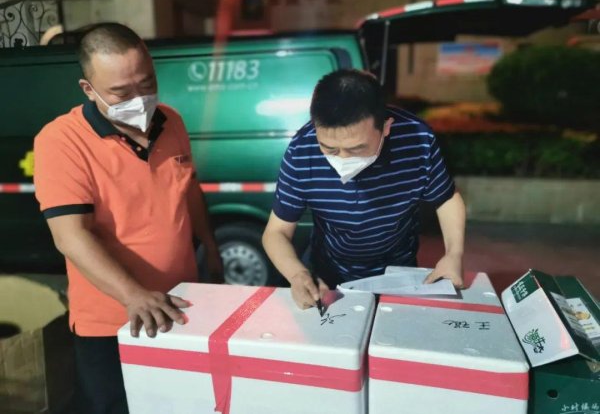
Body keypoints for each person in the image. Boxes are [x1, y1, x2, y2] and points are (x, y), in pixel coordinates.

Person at [33, 23, 223, 413]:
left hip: (181, 307)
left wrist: (211, 249)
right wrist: (134, 295)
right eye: (121, 92)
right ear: (88, 89)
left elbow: (188, 191)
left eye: (147, 84)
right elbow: (71, 237)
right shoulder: (61, 141)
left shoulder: (171, 121)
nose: (139, 99)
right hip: (113, 322)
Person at [262, 69, 465, 309]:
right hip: (328, 270)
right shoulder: (302, 151)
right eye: (330, 149)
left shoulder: (417, 140)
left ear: (386, 127)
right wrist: (297, 275)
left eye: (356, 149)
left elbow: (446, 198)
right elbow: (276, 232)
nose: (343, 159)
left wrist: (454, 254)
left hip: (398, 269)